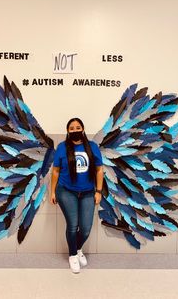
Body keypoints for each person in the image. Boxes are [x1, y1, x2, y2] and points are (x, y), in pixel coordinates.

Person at [50, 117, 104, 273]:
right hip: (66, 191)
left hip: (87, 191)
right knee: (73, 225)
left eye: (78, 127)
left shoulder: (92, 147)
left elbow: (99, 170)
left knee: (86, 228)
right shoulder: (62, 147)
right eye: (71, 128)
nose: (75, 130)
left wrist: (98, 191)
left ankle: (78, 248)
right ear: (68, 131)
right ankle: (73, 255)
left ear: (83, 128)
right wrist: (52, 191)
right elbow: (55, 171)